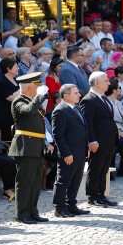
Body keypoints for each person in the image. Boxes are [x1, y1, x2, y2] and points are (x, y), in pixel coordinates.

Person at [9, 72, 50, 224]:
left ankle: (33, 211)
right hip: (25, 147)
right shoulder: (18, 101)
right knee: (25, 181)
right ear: (28, 88)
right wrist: (39, 97)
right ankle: (22, 214)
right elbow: (28, 110)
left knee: (35, 182)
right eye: (37, 87)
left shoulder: (32, 101)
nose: (39, 89)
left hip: (36, 146)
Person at [51, 84, 91, 217]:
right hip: (69, 152)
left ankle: (71, 205)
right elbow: (58, 135)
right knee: (63, 180)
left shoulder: (76, 108)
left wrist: (86, 148)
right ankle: (59, 208)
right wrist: (66, 153)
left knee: (76, 179)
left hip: (80, 151)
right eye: (76, 93)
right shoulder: (60, 110)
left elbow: (83, 129)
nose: (79, 95)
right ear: (66, 95)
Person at [80, 72, 119, 207]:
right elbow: (87, 123)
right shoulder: (88, 99)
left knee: (104, 169)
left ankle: (101, 195)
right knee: (95, 169)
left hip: (109, 140)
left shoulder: (104, 98)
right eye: (106, 80)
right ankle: (93, 196)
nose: (109, 83)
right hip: (98, 141)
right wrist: (91, 140)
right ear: (97, 83)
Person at [0, 58, 21, 141]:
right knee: (9, 138)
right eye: (16, 66)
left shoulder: (17, 81)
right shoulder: (0, 82)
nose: (18, 68)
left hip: (18, 114)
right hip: (6, 115)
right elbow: (11, 98)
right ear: (8, 69)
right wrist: (23, 88)